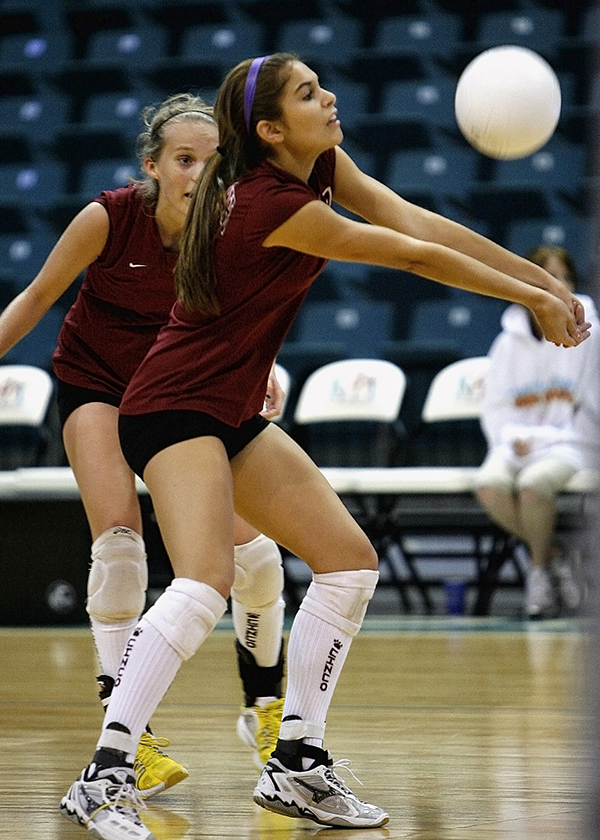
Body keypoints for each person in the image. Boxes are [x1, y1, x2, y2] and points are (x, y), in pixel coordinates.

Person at [59, 54, 590, 840]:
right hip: (169, 406)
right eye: (309, 93)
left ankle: (298, 764)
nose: (330, 96)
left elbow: (419, 221)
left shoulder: (320, 168)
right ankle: (105, 774)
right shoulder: (275, 202)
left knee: (348, 559)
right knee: (205, 579)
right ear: (270, 130)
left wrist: (548, 291)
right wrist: (531, 296)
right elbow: (411, 256)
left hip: (227, 408)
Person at [0, 93, 288, 795]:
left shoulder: (229, 235)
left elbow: (244, 326)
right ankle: (132, 732)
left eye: (213, 161)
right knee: (121, 548)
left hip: (178, 398)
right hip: (96, 386)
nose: (198, 173)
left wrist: (266, 373)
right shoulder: (107, 218)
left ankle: (266, 705)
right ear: (152, 167)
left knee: (255, 557)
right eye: (183, 159)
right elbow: (37, 299)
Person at [474, 244, 600, 619]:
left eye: (565, 276)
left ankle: (539, 573)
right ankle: (555, 555)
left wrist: (548, 439)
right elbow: (494, 408)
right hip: (518, 442)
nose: (559, 285)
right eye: (549, 276)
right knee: (489, 486)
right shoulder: (506, 342)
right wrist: (512, 439)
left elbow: (590, 405)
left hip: (574, 442)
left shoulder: (591, 333)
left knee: (532, 486)